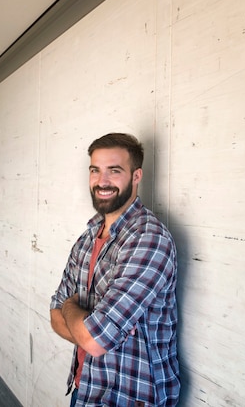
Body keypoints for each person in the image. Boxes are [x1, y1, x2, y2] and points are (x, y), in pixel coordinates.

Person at [50, 133, 179, 406]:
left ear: (136, 176)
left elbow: (95, 340)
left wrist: (72, 310)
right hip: (84, 389)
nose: (102, 181)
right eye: (95, 170)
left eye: (114, 171)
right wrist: (86, 326)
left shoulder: (148, 238)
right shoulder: (88, 237)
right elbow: (54, 315)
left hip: (128, 397)